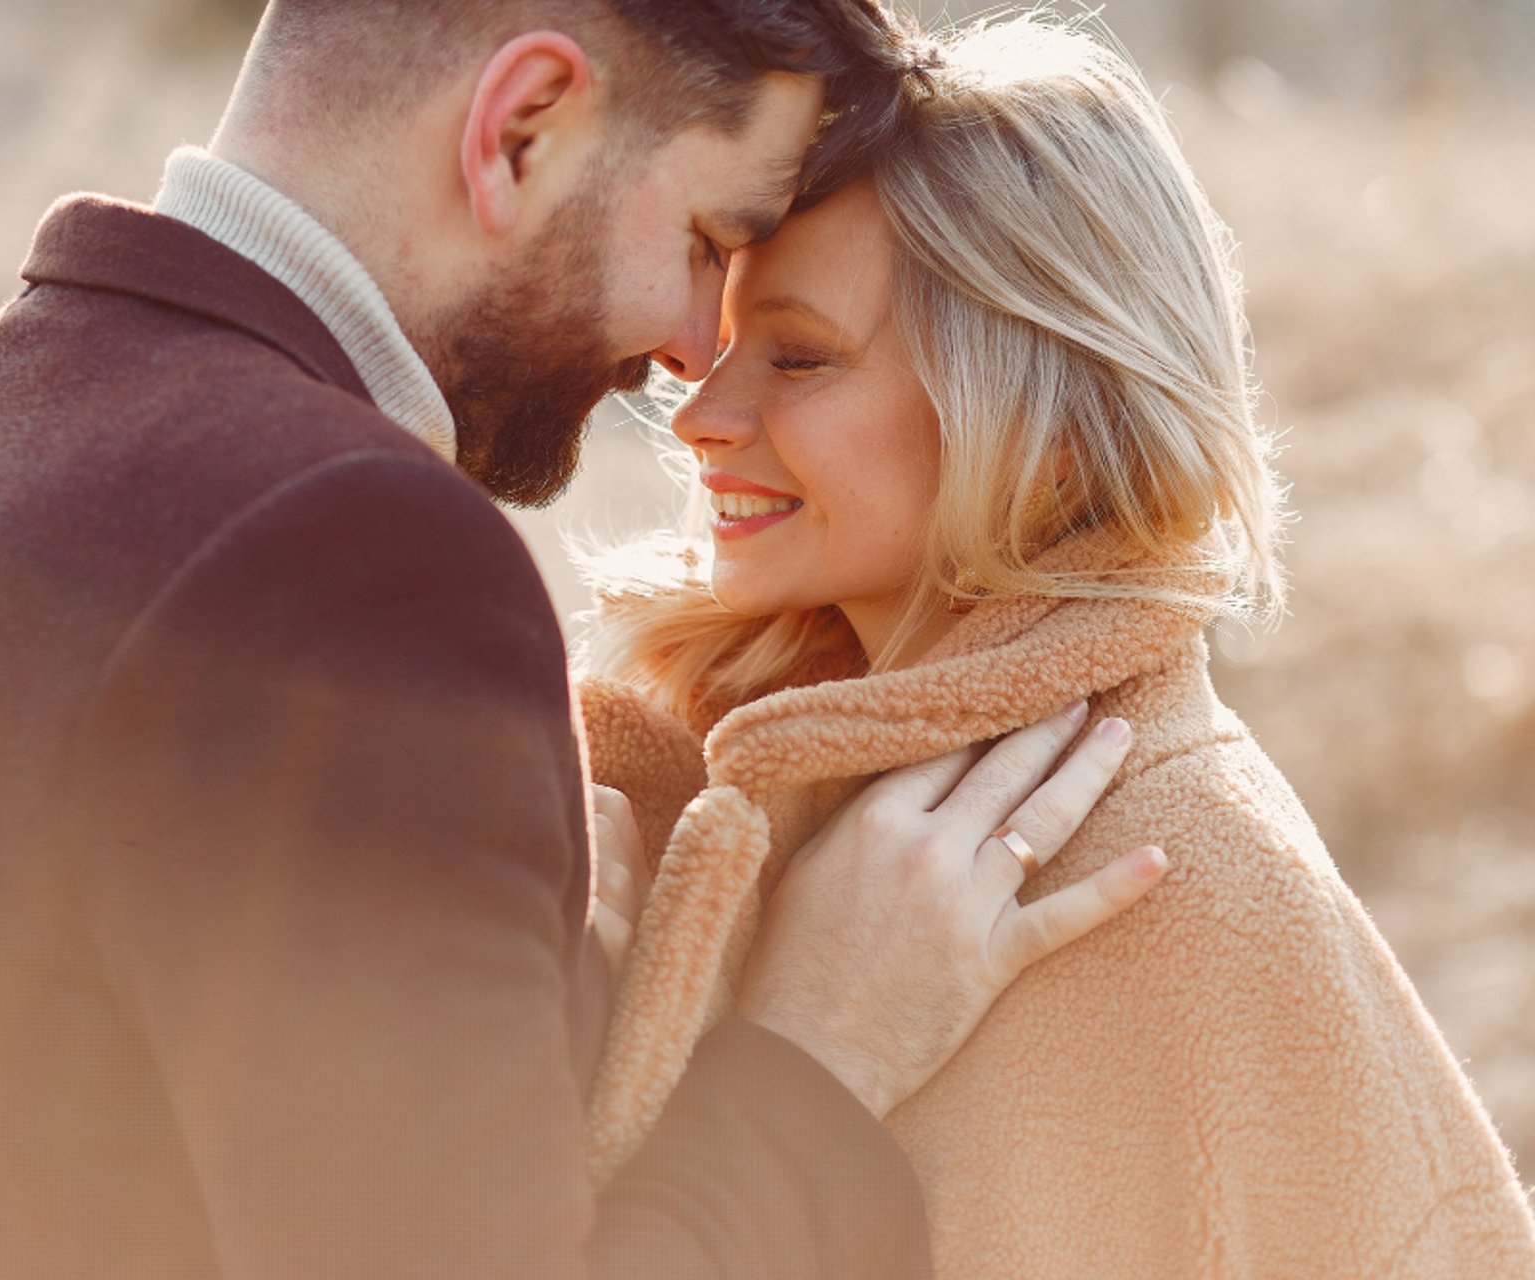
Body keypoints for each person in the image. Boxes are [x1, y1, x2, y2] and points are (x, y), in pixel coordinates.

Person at [0, 2, 1175, 1276]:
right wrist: (818, 1049)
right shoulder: (346, 555)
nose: (693, 348)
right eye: (707, 243)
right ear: (524, 126)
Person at [577, 13, 1535, 1277]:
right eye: (723, 346)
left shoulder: (1185, 883)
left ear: (1044, 418)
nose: (700, 413)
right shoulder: (643, 802)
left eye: (798, 355)